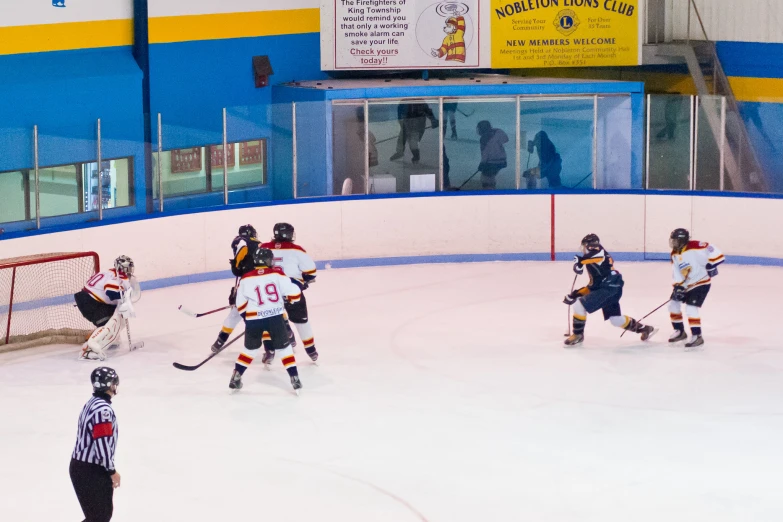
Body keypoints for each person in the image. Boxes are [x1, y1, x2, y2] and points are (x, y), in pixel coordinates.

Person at [229, 247, 304, 394]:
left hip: (254, 320)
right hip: (275, 318)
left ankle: (236, 376)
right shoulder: (277, 273)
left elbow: (241, 305)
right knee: (284, 348)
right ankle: (294, 377)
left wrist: (249, 319)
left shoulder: (246, 278)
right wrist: (288, 298)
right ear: (267, 260)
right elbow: (295, 295)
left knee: (249, 351)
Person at [563, 234, 657, 346]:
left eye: (584, 246)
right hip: (612, 288)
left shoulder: (599, 253)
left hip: (609, 288)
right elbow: (593, 286)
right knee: (615, 320)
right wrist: (575, 294)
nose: (583, 249)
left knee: (579, 306)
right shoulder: (594, 263)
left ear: (589, 246)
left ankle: (578, 335)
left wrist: (580, 261)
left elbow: (596, 254)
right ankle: (644, 328)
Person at [261, 223, 319, 365]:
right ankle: (311, 351)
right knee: (301, 321)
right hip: (292, 291)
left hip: (270, 293)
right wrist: (303, 282)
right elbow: (311, 272)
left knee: (266, 321)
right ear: (288, 234)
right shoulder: (297, 250)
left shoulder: (263, 247)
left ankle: (269, 350)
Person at [70, 367, 120, 522]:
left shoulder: (92, 403)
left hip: (83, 468)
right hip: (91, 470)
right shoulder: (103, 410)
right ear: (111, 385)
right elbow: (102, 444)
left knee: (97, 516)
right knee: (100, 517)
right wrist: (112, 471)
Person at [668, 228, 725, 349]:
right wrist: (678, 286)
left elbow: (715, 252)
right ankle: (680, 331)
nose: (673, 243)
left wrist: (712, 263)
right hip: (686, 284)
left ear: (683, 240)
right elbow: (676, 272)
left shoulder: (696, 246)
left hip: (701, 283)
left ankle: (697, 335)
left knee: (690, 308)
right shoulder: (674, 253)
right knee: (673, 304)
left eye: (676, 240)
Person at [75, 256, 136, 361]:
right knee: (108, 324)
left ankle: (109, 338)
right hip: (90, 302)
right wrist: (124, 297)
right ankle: (89, 350)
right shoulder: (117, 277)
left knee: (117, 320)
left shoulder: (109, 272)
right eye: (128, 268)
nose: (129, 270)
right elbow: (111, 293)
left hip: (92, 299)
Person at [211, 224, 260, 353]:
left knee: (235, 314)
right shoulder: (256, 244)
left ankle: (220, 340)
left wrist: (236, 265)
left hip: (246, 284)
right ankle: (285, 335)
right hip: (260, 284)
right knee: (269, 310)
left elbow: (242, 249)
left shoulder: (240, 241)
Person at [476, 120, 508, 189]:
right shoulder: (497, 132)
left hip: (491, 162)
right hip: (502, 161)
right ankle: (492, 187)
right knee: (492, 175)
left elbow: (485, 153)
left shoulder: (484, 138)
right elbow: (506, 139)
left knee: (485, 177)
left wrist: (482, 164)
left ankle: (488, 191)